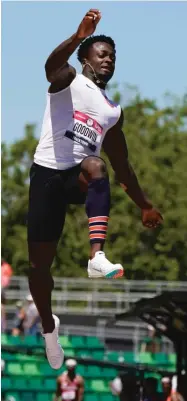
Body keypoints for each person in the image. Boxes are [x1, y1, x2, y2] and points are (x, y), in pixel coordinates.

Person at [27, 9, 163, 369]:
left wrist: (145, 205)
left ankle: (96, 257)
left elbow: (123, 168)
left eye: (112, 56)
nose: (108, 60)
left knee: (96, 165)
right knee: (38, 270)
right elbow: (50, 65)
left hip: (78, 176)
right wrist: (77, 35)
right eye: (101, 54)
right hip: (46, 175)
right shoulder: (67, 79)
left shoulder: (112, 111)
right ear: (85, 60)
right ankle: (48, 328)